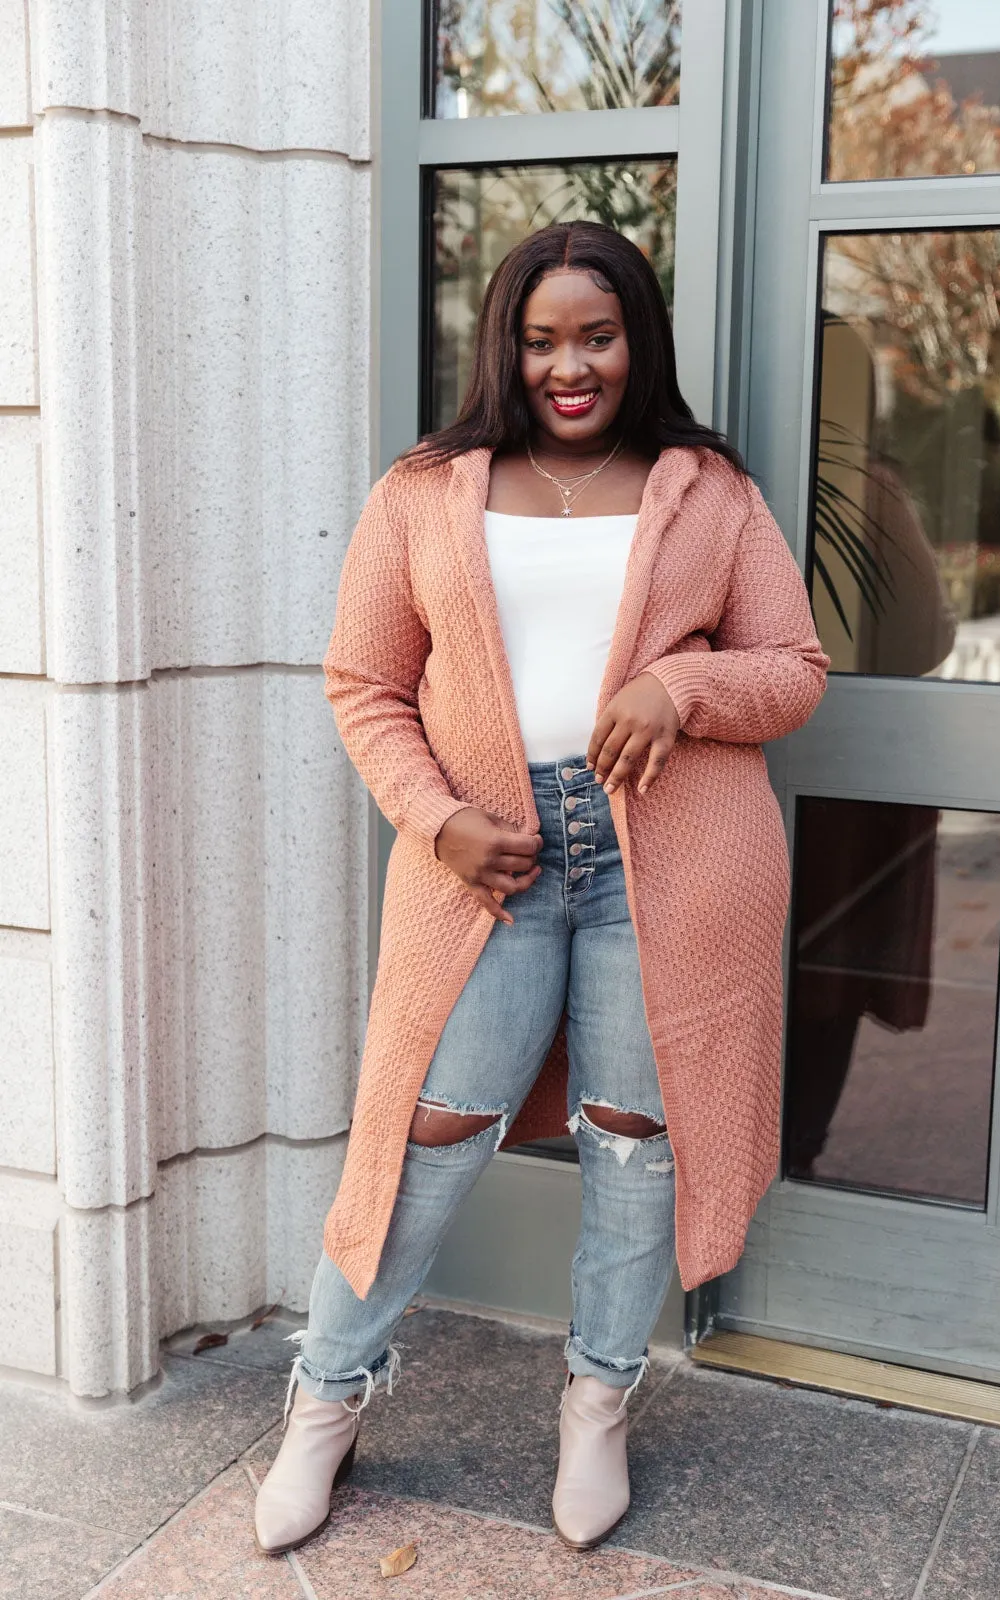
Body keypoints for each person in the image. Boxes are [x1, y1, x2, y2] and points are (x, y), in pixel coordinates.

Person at [254, 221, 829, 1557]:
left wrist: (678, 687)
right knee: (425, 1137)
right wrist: (437, 818)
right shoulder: (425, 491)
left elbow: (790, 668)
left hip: (666, 867)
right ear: (504, 345)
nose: (569, 364)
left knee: (633, 1144)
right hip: (485, 868)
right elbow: (364, 686)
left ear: (636, 340)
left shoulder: (708, 491)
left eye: (597, 335)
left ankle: (596, 1403)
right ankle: (325, 1400)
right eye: (540, 337)